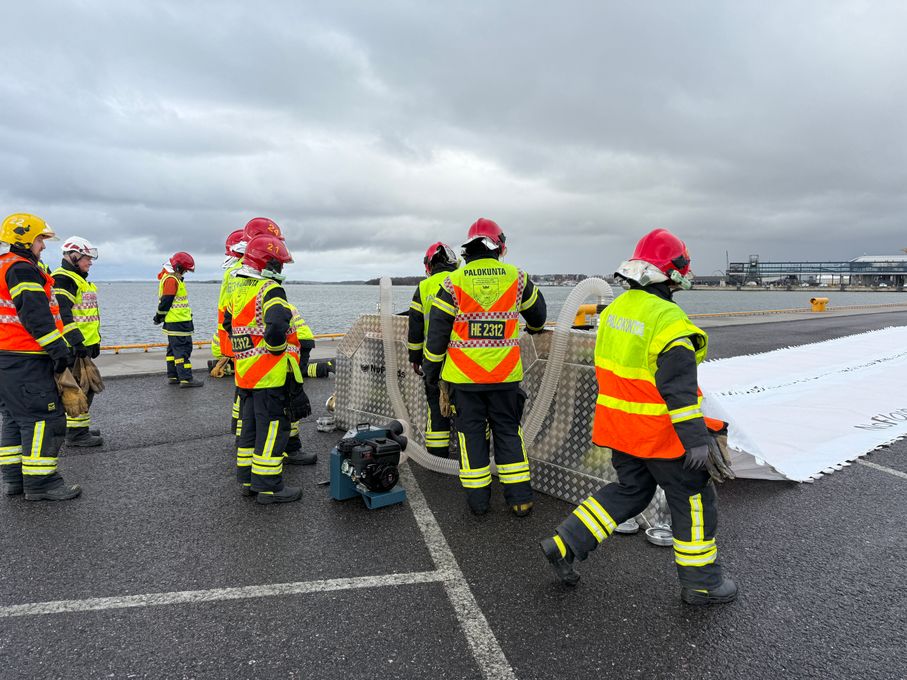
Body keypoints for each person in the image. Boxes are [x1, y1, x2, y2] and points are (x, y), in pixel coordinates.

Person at [539, 228, 738, 605]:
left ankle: (566, 543)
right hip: (661, 436)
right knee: (693, 500)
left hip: (620, 430)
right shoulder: (668, 319)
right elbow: (678, 390)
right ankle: (703, 584)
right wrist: (695, 439)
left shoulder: (614, 311)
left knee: (631, 491)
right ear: (671, 272)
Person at [423, 218, 546, 517]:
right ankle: (520, 500)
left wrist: (432, 372)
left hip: (465, 381)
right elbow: (539, 318)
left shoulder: (454, 282)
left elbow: (437, 334)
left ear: (469, 250)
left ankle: (478, 503)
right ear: (499, 247)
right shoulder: (517, 277)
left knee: (471, 437)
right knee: (508, 432)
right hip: (504, 378)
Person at [223, 229, 309, 504]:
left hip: (245, 376)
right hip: (269, 377)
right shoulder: (271, 289)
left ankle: (248, 482)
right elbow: (276, 325)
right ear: (267, 263)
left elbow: (228, 323)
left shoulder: (239, 289)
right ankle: (270, 487)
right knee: (273, 430)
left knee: (249, 430)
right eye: (279, 263)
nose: (281, 268)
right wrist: (276, 349)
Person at [0, 213, 81, 501]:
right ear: (24, 239)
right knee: (41, 419)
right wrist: (58, 351)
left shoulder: (4, 265)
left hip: (7, 358)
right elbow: (35, 314)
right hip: (26, 356)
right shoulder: (22, 269)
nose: (43, 246)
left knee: (13, 418)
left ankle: (14, 479)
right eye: (39, 239)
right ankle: (40, 482)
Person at [407, 241, 459, 458]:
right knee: (468, 408)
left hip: (434, 358)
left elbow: (416, 327)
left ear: (429, 266)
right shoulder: (460, 281)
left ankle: (437, 456)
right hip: (464, 359)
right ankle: (472, 456)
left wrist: (415, 357)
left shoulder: (424, 287)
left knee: (436, 408)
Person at [52, 236, 103, 447]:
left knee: (83, 388)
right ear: (73, 256)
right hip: (73, 346)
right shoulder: (64, 279)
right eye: (86, 258)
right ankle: (76, 434)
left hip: (83, 344)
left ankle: (77, 428)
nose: (89, 262)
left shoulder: (77, 278)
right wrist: (77, 343)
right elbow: (64, 315)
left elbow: (86, 315)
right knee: (80, 389)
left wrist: (94, 342)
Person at [153, 252, 203, 387]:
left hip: (174, 322)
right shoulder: (172, 280)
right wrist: (159, 316)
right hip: (179, 323)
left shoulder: (169, 278)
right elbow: (166, 301)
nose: (185, 272)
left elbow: (166, 302)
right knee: (183, 350)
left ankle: (173, 376)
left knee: (173, 350)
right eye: (184, 270)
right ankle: (186, 378)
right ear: (177, 268)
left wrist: (159, 317)